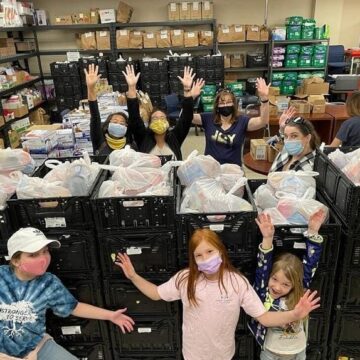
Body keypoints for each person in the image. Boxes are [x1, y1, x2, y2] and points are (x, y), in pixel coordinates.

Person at [115, 228, 320, 360]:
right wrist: (133, 276)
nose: (205, 259)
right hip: (193, 355)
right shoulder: (185, 279)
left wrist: (294, 315)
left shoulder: (237, 282)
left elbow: (264, 317)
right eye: (199, 255)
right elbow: (156, 293)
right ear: (193, 259)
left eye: (210, 252)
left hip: (224, 355)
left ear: (221, 251)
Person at [0, 227, 134, 359]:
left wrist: (110, 315)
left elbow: (73, 307)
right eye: (33, 254)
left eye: (45, 251)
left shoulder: (49, 283)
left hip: (35, 348)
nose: (43, 259)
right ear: (16, 260)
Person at [250, 210, 326, 360]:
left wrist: (313, 231)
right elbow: (263, 266)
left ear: (294, 284)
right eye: (275, 279)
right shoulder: (265, 292)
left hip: (298, 352)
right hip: (271, 353)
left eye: (286, 284)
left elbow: (311, 263)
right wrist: (267, 238)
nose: (277, 287)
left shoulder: (300, 291)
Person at [123, 65, 204, 160]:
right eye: (155, 118)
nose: (159, 120)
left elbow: (186, 117)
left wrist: (187, 89)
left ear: (168, 123)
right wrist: (132, 87)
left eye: (162, 118)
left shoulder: (175, 137)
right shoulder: (143, 137)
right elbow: (134, 117)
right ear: (149, 124)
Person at [192, 78, 270, 166]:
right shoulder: (208, 118)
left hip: (233, 170)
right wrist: (191, 98)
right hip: (210, 169)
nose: (225, 105)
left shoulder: (242, 121)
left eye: (229, 102)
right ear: (217, 106)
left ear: (234, 105)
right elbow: (186, 117)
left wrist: (264, 99)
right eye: (222, 103)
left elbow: (263, 121)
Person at [85, 64, 134, 155]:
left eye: (122, 123)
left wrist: (132, 87)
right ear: (107, 125)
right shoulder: (99, 140)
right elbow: (95, 116)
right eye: (115, 121)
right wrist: (90, 88)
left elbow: (135, 116)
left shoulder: (130, 144)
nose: (118, 124)